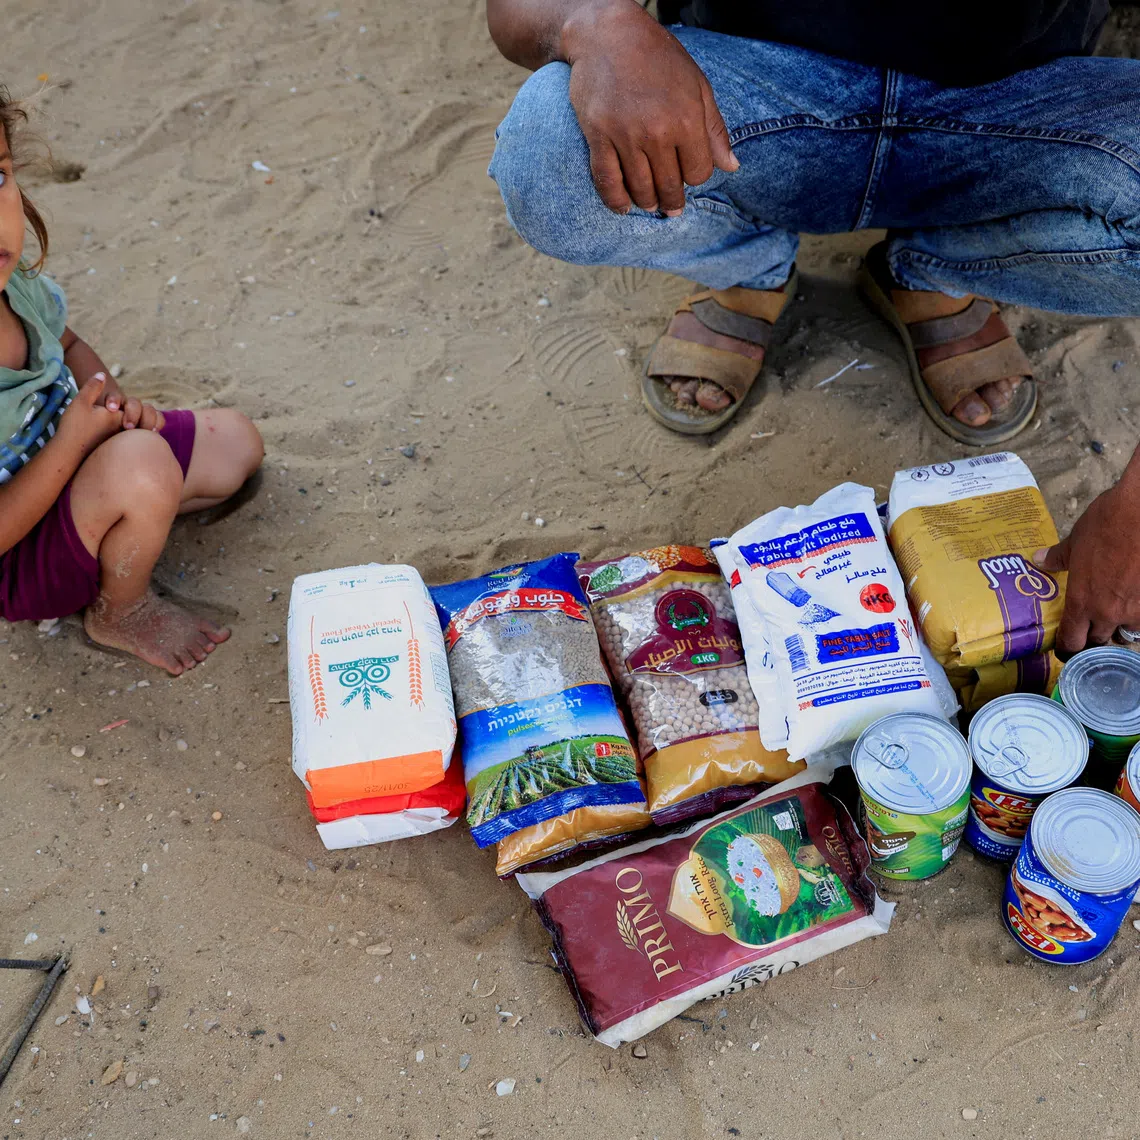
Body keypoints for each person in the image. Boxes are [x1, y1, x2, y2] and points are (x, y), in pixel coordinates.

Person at [485, 0, 1140, 653]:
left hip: (1015, 105)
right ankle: (750, 263)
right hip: (756, 90)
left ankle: (935, 269)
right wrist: (598, 25)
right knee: (548, 152)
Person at [0, 90, 264, 675]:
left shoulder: (12, 280)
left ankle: (121, 519)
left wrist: (109, 399)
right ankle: (119, 608)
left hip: (85, 457)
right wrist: (74, 444)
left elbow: (66, 345)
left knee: (237, 446)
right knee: (144, 468)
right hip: (19, 558)